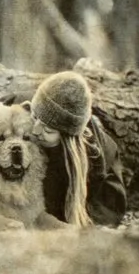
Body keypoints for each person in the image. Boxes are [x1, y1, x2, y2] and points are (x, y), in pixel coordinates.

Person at [28, 69, 130, 228]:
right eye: (34, 117)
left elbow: (104, 218)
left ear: (68, 139)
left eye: (48, 130)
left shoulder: (100, 159)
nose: (35, 131)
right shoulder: (20, 109)